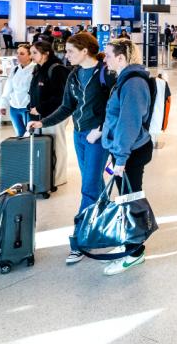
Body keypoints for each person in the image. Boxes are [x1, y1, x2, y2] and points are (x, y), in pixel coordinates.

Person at [28, 33, 113, 263]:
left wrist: (102, 128)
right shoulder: (74, 74)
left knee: (88, 187)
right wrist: (43, 121)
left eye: (71, 51)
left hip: (98, 136)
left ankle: (80, 238)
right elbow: (67, 106)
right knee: (94, 182)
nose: (67, 55)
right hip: (79, 133)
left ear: (85, 51)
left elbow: (115, 107)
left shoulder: (105, 74)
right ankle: (104, 224)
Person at [99, 38, 154, 276]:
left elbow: (128, 124)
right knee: (124, 197)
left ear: (121, 58)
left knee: (129, 199)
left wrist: (120, 158)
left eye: (109, 55)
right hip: (123, 150)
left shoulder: (132, 83)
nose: (105, 59)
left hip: (130, 152)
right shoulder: (124, 80)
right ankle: (129, 242)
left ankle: (134, 252)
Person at [28, 41, 70, 186]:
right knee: (46, 146)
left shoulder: (57, 70)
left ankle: (58, 178)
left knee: (57, 146)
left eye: (35, 53)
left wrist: (40, 108)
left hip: (55, 115)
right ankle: (47, 175)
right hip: (40, 116)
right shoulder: (38, 69)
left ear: (46, 53)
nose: (31, 56)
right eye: (31, 52)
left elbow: (61, 97)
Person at [0, 44, 35, 137]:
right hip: (14, 108)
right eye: (17, 53)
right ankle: (21, 152)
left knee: (30, 136)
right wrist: (3, 105)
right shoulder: (15, 69)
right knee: (19, 135)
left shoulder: (35, 69)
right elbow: (8, 88)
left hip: (28, 108)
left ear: (30, 55)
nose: (18, 56)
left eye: (22, 54)